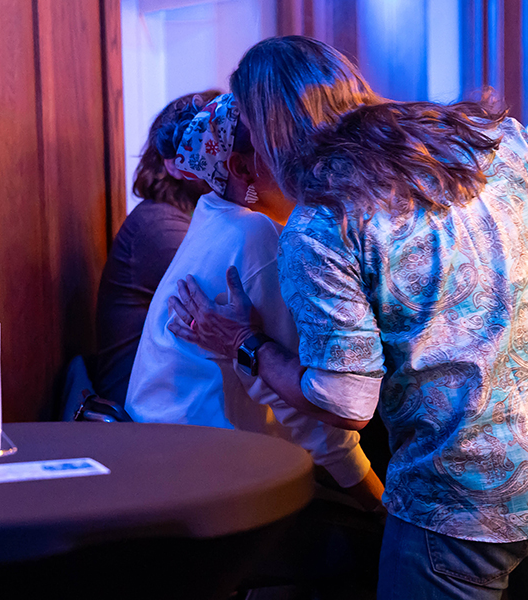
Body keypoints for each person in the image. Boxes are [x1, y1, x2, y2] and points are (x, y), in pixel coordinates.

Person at [169, 36, 528, 600]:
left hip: (458, 504)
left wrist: (246, 344)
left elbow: (345, 402)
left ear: (268, 129)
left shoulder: (322, 227)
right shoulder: (493, 140)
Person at [126, 93, 385, 595]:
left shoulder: (218, 217)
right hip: (205, 486)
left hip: (162, 462)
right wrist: (379, 503)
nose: (304, 156)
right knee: (378, 547)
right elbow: (309, 412)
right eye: (282, 146)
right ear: (244, 167)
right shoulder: (255, 237)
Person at [93, 90, 220, 406]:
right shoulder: (159, 226)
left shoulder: (187, 218)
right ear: (175, 165)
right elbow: (230, 302)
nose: (225, 160)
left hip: (169, 400)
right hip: (138, 416)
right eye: (212, 148)